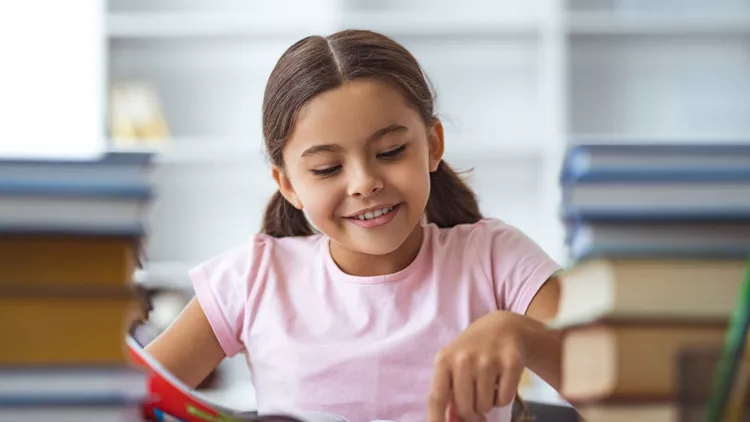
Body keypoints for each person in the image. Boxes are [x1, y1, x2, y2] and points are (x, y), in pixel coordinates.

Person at [145, 29, 563, 422]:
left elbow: (622, 377)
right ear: (288, 184)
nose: (365, 184)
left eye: (391, 150)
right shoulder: (250, 280)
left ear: (433, 145)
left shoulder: (494, 259)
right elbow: (127, 401)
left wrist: (524, 335)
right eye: (327, 169)